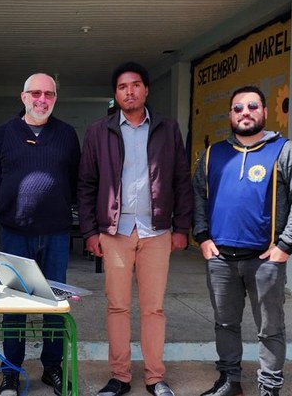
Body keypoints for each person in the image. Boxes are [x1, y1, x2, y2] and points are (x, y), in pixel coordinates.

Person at [77, 61, 192, 396]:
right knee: (117, 306)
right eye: (123, 86)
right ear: (115, 93)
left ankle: (156, 377)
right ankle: (120, 377)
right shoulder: (99, 131)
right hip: (115, 232)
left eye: (136, 85)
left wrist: (182, 226)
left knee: (153, 308)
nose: (130, 91)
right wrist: (89, 231)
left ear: (146, 90)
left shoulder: (167, 129)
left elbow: (181, 180)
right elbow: (86, 184)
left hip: (156, 231)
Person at [193, 86, 292, 396]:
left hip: (265, 259)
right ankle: (229, 382)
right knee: (224, 324)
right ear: (230, 115)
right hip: (220, 258)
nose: (245, 112)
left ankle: (269, 388)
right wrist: (202, 237)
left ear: (264, 111)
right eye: (238, 108)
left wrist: (286, 245)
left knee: (270, 328)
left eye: (252, 106)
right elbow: (197, 197)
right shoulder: (212, 155)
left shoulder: (285, 151)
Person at [0, 73, 81, 396]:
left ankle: (52, 367)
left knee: (54, 304)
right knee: (14, 304)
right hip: (15, 233)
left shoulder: (67, 135)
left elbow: (75, 179)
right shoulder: (4, 133)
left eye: (49, 94)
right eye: (35, 93)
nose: (42, 99)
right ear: (23, 96)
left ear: (55, 98)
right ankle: (11, 371)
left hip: (56, 234)